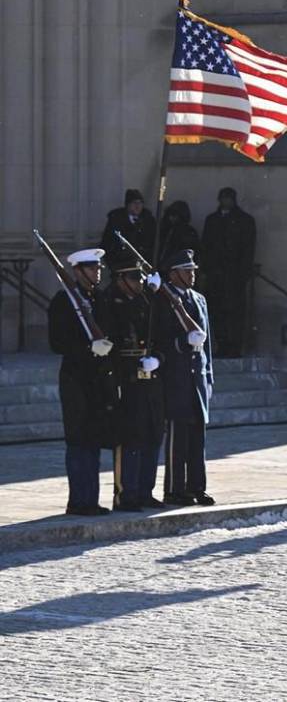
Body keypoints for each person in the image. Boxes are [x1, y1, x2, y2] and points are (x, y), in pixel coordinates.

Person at [47, 248, 114, 516]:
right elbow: (57, 343)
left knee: (94, 439)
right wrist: (88, 349)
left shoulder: (100, 298)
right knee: (78, 440)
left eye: (99, 268)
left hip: (97, 378)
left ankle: (91, 499)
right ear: (77, 271)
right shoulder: (64, 301)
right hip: (76, 378)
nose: (97, 272)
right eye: (91, 268)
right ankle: (78, 501)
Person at [103, 251, 167, 512]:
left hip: (150, 377)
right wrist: (132, 366)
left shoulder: (145, 302)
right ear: (120, 279)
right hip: (127, 378)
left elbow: (159, 334)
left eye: (140, 277)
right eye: (133, 277)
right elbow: (113, 342)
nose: (139, 282)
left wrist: (158, 359)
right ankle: (126, 493)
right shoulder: (112, 302)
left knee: (152, 434)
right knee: (131, 438)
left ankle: (145, 491)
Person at [158, 249, 215, 506]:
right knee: (178, 435)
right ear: (173, 274)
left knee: (197, 435)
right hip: (176, 376)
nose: (192, 274)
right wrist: (182, 342)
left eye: (193, 270)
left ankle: (196, 487)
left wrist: (209, 375)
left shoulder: (199, 299)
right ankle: (174, 489)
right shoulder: (163, 301)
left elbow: (207, 342)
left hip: (197, 376)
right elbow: (160, 339)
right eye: (187, 270)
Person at [199, 187, 256, 357]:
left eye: (229, 198)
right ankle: (221, 345)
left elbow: (248, 249)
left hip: (234, 276)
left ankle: (235, 347)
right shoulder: (212, 220)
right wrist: (207, 270)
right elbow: (206, 246)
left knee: (235, 314)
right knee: (217, 313)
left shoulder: (244, 221)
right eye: (223, 198)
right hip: (215, 276)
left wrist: (243, 274)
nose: (226, 202)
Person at [100, 189, 156, 262]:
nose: (137, 206)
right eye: (134, 203)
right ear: (127, 205)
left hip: (144, 262)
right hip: (122, 262)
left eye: (140, 203)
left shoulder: (148, 220)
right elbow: (108, 243)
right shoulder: (116, 220)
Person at [158, 200, 201, 269]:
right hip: (162, 266)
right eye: (170, 215)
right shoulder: (165, 229)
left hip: (179, 268)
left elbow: (192, 253)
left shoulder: (189, 232)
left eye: (174, 215)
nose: (171, 218)